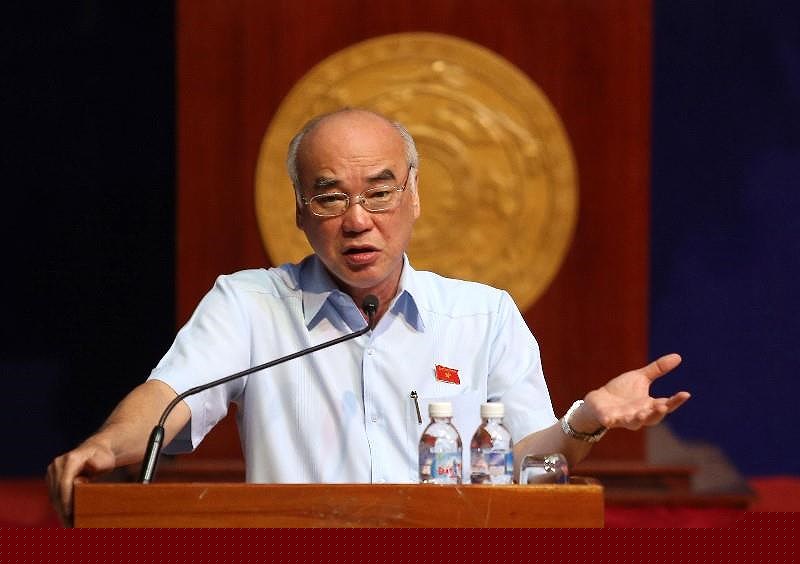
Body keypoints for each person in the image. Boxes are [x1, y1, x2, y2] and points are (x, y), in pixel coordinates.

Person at [47, 108, 690, 525]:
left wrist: (586, 420)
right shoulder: (249, 305)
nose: (358, 220)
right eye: (330, 197)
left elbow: (524, 465)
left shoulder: (482, 315)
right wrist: (104, 445)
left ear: (414, 196)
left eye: (379, 193)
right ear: (299, 211)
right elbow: (168, 402)